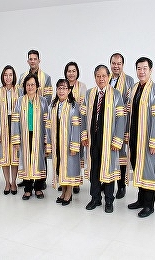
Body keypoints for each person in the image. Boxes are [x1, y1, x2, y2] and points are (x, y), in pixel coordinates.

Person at [81, 65, 125, 213]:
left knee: (109, 168)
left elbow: (121, 118)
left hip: (109, 138)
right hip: (93, 137)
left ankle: (109, 200)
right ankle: (95, 198)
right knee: (94, 168)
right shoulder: (89, 94)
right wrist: (84, 135)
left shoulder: (116, 94)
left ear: (108, 77)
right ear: (95, 77)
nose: (101, 79)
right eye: (98, 76)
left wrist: (117, 139)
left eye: (104, 76)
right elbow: (82, 116)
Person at [127, 57, 155, 218]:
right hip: (135, 137)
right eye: (139, 68)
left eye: (144, 68)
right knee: (138, 168)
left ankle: (149, 205)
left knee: (149, 171)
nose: (141, 72)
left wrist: (154, 142)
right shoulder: (134, 88)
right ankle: (141, 200)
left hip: (148, 139)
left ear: (150, 70)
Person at [17, 49, 52, 189]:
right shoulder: (22, 77)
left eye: (35, 59)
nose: (32, 61)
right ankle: (27, 180)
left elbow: (48, 100)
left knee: (40, 154)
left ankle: (40, 181)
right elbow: (21, 96)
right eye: (30, 59)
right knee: (26, 153)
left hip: (40, 120)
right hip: (27, 120)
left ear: (39, 60)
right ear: (27, 61)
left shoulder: (46, 77)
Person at [11, 74, 48, 200]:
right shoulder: (20, 101)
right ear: (24, 87)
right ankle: (27, 189)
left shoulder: (43, 101)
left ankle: (38, 188)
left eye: (33, 84)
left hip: (39, 135)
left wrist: (46, 139)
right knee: (26, 160)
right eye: (28, 85)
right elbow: (15, 121)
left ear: (37, 86)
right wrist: (16, 139)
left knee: (38, 161)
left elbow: (46, 122)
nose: (30, 87)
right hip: (25, 135)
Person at [46, 79, 82, 206]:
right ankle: (63, 190)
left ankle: (69, 192)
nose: (62, 91)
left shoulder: (74, 106)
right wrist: (49, 144)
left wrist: (74, 145)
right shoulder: (52, 106)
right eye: (59, 88)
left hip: (69, 142)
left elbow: (77, 127)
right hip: (57, 142)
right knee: (60, 166)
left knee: (69, 167)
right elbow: (48, 126)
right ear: (56, 90)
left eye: (64, 88)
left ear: (69, 90)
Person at [0, 65, 22, 195]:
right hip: (3, 125)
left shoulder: (19, 91)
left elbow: (22, 111)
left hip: (15, 126)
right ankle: (7, 182)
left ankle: (14, 182)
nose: (8, 77)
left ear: (13, 76)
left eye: (10, 75)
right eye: (5, 75)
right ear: (2, 77)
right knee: (4, 156)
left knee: (14, 156)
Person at [109, 53, 134, 199]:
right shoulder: (107, 78)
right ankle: (107, 182)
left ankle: (121, 186)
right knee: (109, 154)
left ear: (123, 65)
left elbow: (129, 105)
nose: (116, 66)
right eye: (113, 63)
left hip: (122, 124)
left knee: (121, 156)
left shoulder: (129, 81)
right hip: (108, 125)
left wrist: (127, 127)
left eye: (119, 63)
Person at [64, 61, 87, 194]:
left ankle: (76, 182)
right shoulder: (63, 85)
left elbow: (83, 106)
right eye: (69, 71)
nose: (71, 73)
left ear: (77, 72)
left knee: (76, 154)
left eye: (73, 71)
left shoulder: (82, 87)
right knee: (65, 154)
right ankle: (65, 180)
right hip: (64, 126)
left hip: (77, 124)